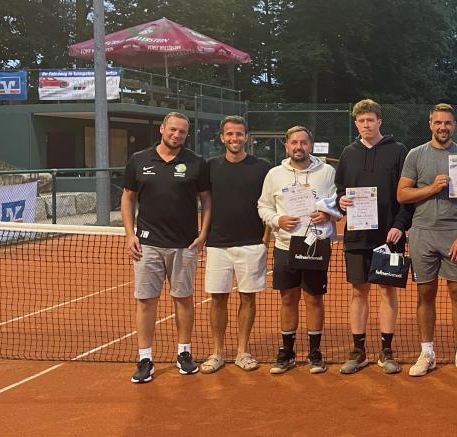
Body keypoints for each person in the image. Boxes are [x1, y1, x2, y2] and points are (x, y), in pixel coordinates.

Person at [123, 111, 212, 383]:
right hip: (147, 244)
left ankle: (184, 352)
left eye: (182, 132)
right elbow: (128, 199)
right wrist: (130, 234)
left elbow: (207, 200)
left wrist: (203, 233)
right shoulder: (139, 160)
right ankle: (145, 358)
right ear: (162, 129)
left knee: (183, 299)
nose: (177, 135)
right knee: (146, 301)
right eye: (172, 129)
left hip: (185, 245)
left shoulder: (197, 162)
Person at [398, 103, 457, 377]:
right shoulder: (415, 155)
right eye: (438, 123)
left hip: (454, 235)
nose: (442, 127)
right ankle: (427, 353)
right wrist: (432, 188)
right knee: (425, 293)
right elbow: (402, 195)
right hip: (422, 234)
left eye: (447, 123)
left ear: (453, 125)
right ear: (430, 124)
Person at [334, 99, 413, 375]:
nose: (366, 125)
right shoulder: (348, 152)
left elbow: (406, 192)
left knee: (387, 289)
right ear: (356, 123)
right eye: (361, 121)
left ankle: (386, 350)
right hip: (356, 234)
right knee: (359, 291)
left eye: (370, 120)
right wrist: (341, 200)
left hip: (389, 235)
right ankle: (358, 351)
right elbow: (340, 189)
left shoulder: (398, 151)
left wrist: (401, 225)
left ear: (380, 121)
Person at [257, 125, 338, 375]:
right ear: (287, 146)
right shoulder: (274, 174)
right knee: (288, 298)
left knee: (314, 298)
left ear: (310, 146)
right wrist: (276, 221)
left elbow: (339, 202)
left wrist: (328, 214)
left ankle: (315, 353)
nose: (299, 147)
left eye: (303, 142)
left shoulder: (327, 172)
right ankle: (287, 352)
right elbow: (263, 206)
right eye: (294, 142)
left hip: (315, 244)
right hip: (284, 246)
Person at [200, 115, 271, 374]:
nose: (234, 139)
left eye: (239, 134)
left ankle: (243, 351)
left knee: (247, 298)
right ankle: (217, 352)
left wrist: (265, 238)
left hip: (251, 244)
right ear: (222, 138)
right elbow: (203, 201)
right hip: (217, 244)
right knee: (217, 299)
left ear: (246, 137)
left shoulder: (262, 167)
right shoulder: (210, 167)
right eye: (229, 134)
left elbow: (270, 203)